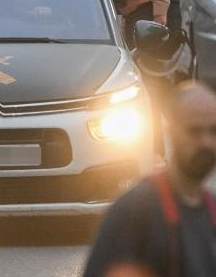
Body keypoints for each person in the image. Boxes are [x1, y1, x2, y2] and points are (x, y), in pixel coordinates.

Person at [84, 82, 216, 277]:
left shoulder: (211, 211)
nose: (205, 142)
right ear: (170, 132)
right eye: (194, 131)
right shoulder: (136, 212)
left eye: (213, 130)